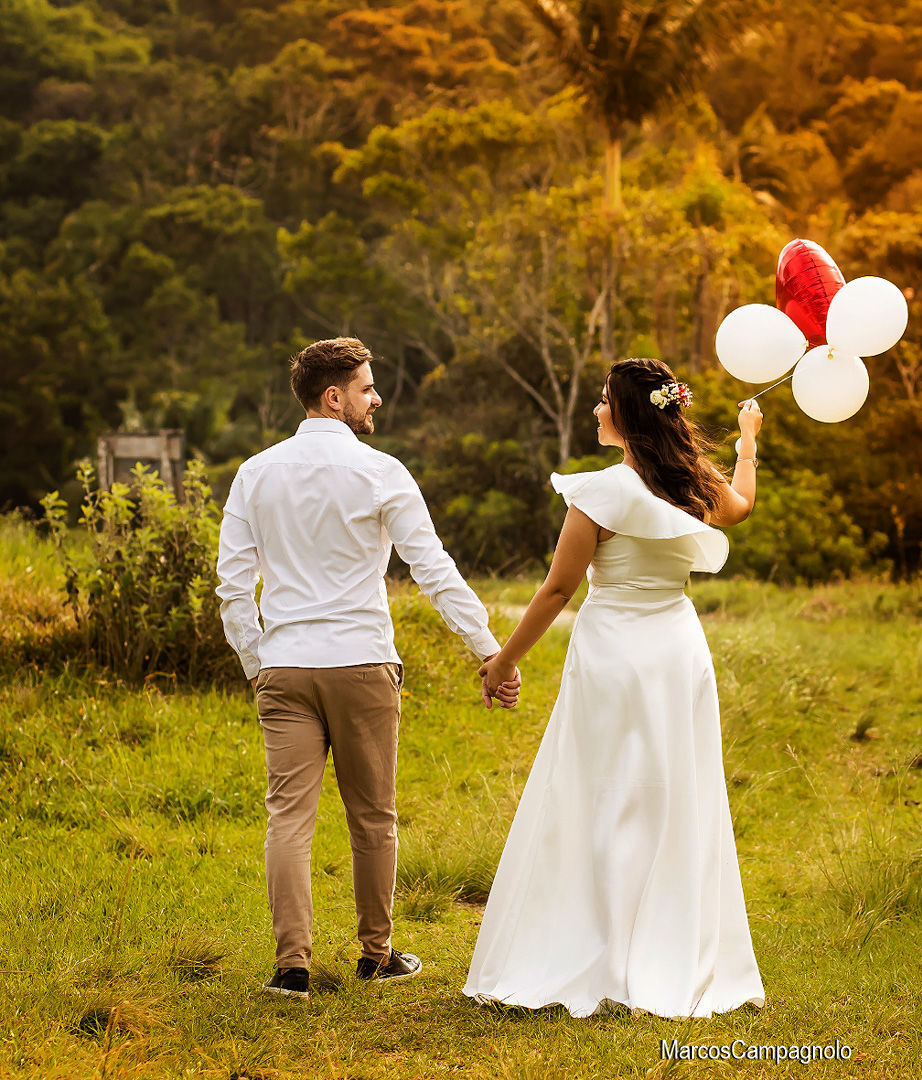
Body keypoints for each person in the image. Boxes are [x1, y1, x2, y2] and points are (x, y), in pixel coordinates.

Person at [216, 337, 518, 1000]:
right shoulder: (382, 473)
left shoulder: (255, 473)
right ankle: (375, 956)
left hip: (286, 668)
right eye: (366, 388)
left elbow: (233, 586)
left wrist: (255, 665)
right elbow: (432, 571)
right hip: (362, 665)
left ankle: (290, 968)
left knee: (287, 818)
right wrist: (487, 648)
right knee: (372, 816)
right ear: (334, 397)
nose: (375, 398)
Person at [465, 357, 765, 1019]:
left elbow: (556, 590)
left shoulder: (600, 493)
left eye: (603, 401)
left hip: (613, 652)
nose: (596, 410)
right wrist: (748, 443)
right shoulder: (691, 481)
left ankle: (598, 944)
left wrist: (503, 661)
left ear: (626, 415)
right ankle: (662, 943)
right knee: (670, 791)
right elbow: (739, 509)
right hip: (677, 649)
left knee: (600, 792)